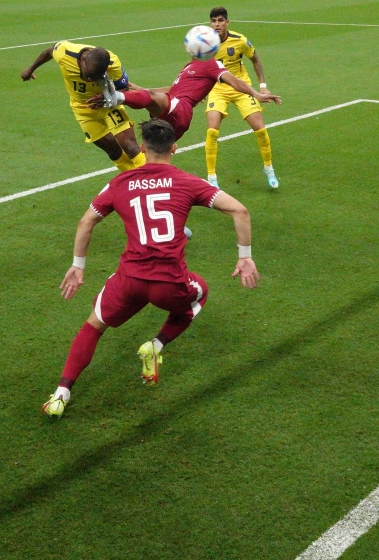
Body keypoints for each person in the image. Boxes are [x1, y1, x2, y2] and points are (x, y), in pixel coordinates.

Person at [42, 119, 259, 417]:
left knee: (93, 325)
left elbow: (86, 222)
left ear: (142, 148)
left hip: (128, 280)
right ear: (174, 148)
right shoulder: (188, 182)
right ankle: (156, 346)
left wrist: (78, 266)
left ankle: (61, 393)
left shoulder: (119, 183)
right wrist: (244, 256)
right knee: (200, 293)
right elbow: (240, 210)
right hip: (169, 283)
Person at [91, 44, 281, 152]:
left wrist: (256, 93)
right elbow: (172, 90)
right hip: (171, 112)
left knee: (150, 100)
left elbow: (234, 81)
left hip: (181, 109)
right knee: (151, 153)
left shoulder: (211, 64)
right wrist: (142, 89)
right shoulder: (188, 67)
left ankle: (115, 97)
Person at [22, 42, 145, 173]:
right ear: (83, 60)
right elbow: (48, 52)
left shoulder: (112, 62)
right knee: (113, 152)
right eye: (88, 76)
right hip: (83, 111)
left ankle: (156, 179)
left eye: (96, 77)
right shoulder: (65, 53)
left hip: (109, 106)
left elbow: (124, 89)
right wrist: (30, 69)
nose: (90, 80)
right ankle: (133, 179)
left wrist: (108, 98)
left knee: (131, 148)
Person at [203, 7, 279, 189]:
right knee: (212, 130)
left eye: (220, 20)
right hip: (218, 89)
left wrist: (262, 86)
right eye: (213, 21)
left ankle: (268, 168)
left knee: (259, 128)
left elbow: (256, 60)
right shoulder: (205, 44)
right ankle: (211, 177)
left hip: (241, 87)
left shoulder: (239, 40)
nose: (217, 24)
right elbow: (201, 69)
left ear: (227, 22)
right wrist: (201, 91)